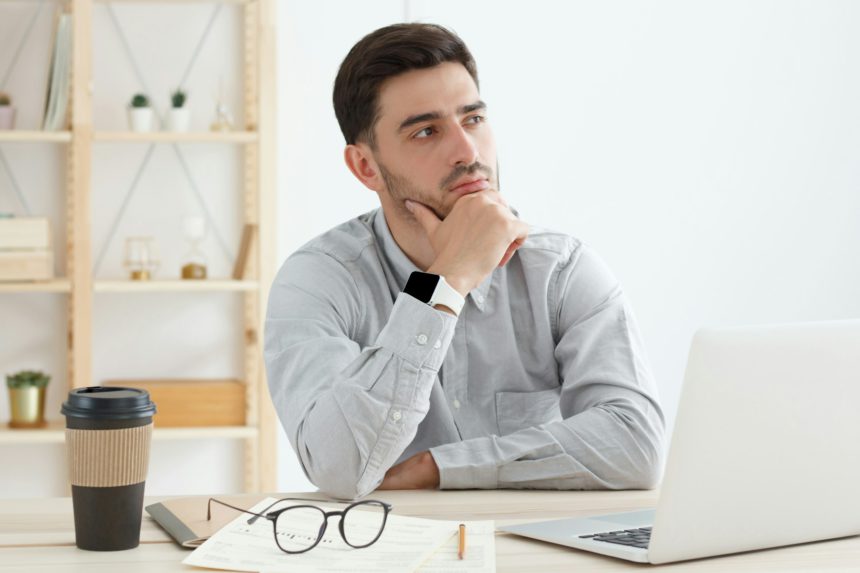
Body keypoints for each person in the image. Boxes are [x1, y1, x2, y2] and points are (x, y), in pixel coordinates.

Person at [264, 23, 665, 500]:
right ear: (365, 167)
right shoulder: (317, 280)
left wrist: (441, 467)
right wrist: (447, 281)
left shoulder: (561, 270)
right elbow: (337, 465)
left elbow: (636, 446)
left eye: (472, 119)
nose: (468, 151)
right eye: (427, 131)